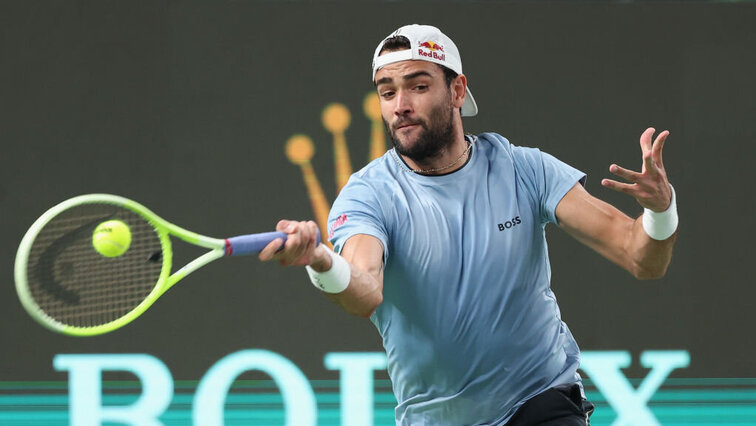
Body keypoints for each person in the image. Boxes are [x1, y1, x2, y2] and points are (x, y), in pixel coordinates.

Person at [259, 24, 678, 426]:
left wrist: (661, 211)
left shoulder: (525, 168)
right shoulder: (367, 195)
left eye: (418, 87)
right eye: (387, 93)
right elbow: (365, 292)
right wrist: (320, 261)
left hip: (540, 400)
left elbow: (640, 257)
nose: (400, 105)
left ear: (457, 90)